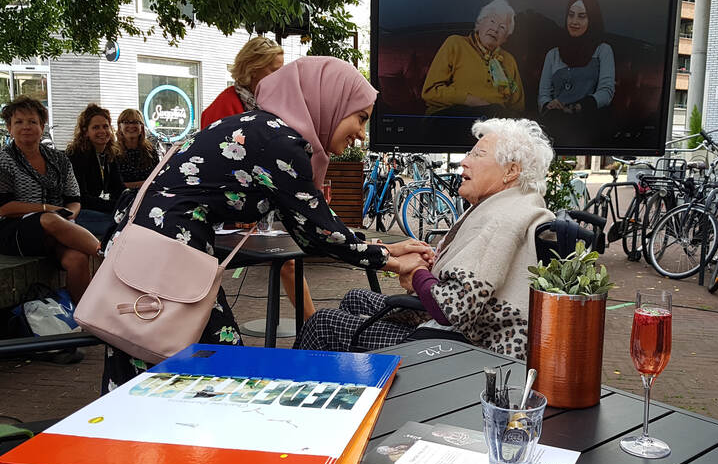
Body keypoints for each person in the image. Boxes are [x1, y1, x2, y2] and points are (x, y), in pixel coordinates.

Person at [102, 56, 431, 388]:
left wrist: (386, 249)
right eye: (360, 118)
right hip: (168, 253)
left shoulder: (265, 128)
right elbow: (320, 233)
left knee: (148, 356)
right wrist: (393, 262)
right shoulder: (281, 144)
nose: (362, 134)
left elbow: (314, 224)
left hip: (156, 246)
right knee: (221, 370)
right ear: (330, 100)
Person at [294, 117, 556, 359]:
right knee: (355, 298)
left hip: (468, 350)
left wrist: (419, 272)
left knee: (322, 324)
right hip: (469, 331)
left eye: (478, 154)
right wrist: (431, 261)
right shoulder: (516, 205)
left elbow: (452, 308)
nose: (465, 161)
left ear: (511, 171)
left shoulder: (501, 221)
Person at [201, 37, 316, 321]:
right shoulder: (223, 107)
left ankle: (313, 325)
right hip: (221, 210)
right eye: (274, 69)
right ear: (253, 70)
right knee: (207, 270)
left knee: (287, 262)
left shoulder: (270, 104)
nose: (282, 76)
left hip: (256, 205)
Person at [0, 96, 101, 305]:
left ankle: (87, 319)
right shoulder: (4, 159)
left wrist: (70, 216)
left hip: (57, 227)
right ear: (9, 127)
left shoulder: (59, 159)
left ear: (42, 126)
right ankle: (107, 254)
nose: (26, 127)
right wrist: (48, 210)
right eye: (18, 122)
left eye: (32, 121)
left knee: (77, 259)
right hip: (13, 229)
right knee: (49, 220)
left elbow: (74, 199)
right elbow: (4, 207)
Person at [421, 0, 524, 116]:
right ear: (479, 23)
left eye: (502, 27)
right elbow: (430, 92)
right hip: (452, 115)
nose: (495, 29)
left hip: (496, 121)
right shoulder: (455, 43)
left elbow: (518, 106)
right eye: (492, 21)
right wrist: (471, 101)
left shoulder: (509, 60)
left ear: (505, 38)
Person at [537, 0, 614, 144]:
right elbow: (543, 95)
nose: (574, 22)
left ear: (592, 19)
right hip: (556, 122)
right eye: (571, 15)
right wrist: (549, 105)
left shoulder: (603, 50)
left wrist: (578, 107)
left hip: (588, 120)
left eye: (582, 16)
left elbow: (606, 92)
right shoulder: (553, 54)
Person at [65, 104, 124, 237]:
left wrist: (129, 201)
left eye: (105, 126)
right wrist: (115, 207)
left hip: (96, 209)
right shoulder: (76, 155)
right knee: (121, 226)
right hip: (77, 212)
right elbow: (82, 198)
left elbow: (118, 188)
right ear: (85, 132)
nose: (102, 131)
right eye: (96, 127)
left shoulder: (109, 154)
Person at [114, 109, 159, 189]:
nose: (131, 126)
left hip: (147, 197)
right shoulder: (113, 152)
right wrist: (146, 184)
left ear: (141, 126)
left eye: (135, 122)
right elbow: (113, 186)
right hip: (121, 199)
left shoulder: (151, 150)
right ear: (119, 127)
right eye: (126, 122)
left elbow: (158, 179)